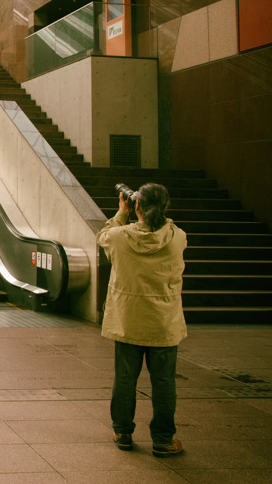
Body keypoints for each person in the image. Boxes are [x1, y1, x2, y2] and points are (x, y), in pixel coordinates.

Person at [98, 183, 187, 458]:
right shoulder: (177, 236)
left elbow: (103, 235)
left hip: (128, 321)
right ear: (165, 207)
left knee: (125, 379)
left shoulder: (119, 236)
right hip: (163, 323)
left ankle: (123, 432)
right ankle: (163, 439)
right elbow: (166, 227)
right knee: (164, 383)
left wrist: (121, 212)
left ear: (136, 206)